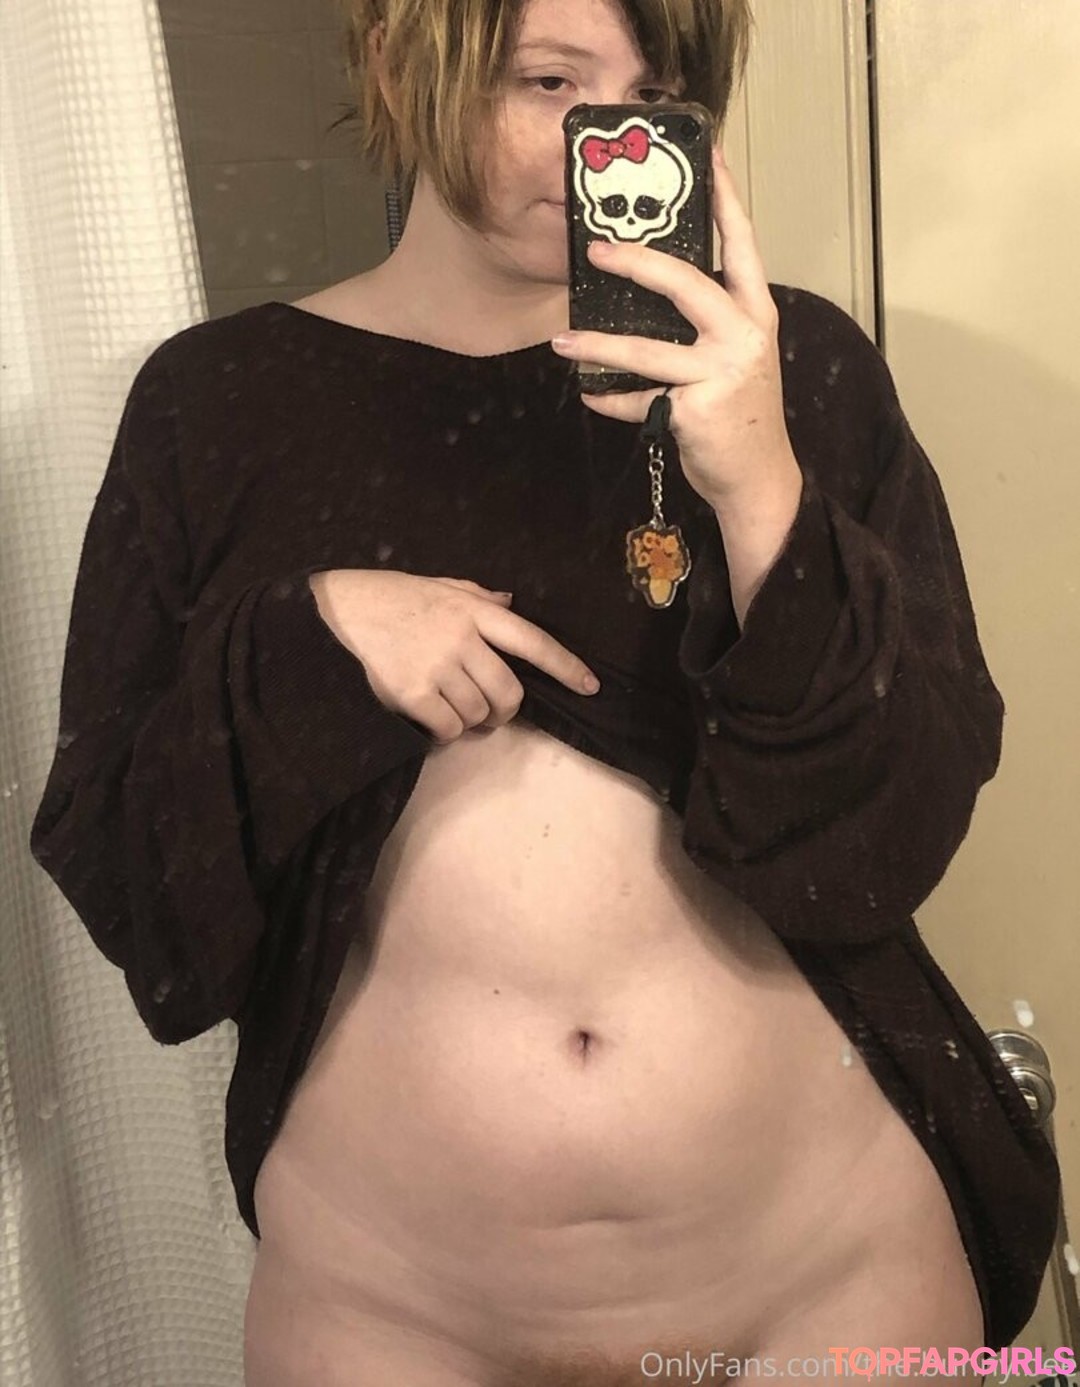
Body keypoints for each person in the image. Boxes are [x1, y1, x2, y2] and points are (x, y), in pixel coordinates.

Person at [29, 0, 1061, 1382]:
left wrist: (762, 486)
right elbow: (139, 902)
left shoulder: (799, 370)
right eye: (548, 80)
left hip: (833, 1276)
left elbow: (890, 843)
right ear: (400, 62)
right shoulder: (213, 403)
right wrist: (308, 645)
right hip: (392, 1314)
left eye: (658, 90)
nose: (607, 142)